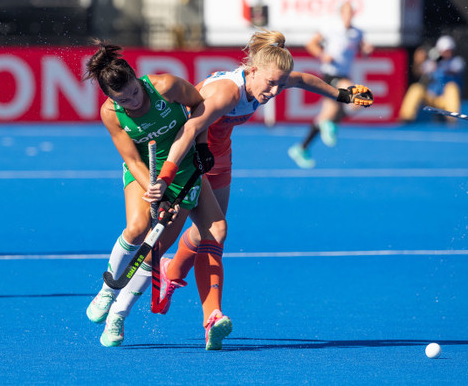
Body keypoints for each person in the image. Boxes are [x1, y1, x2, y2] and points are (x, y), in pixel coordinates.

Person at [143, 29, 373, 343]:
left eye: (281, 84)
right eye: (271, 83)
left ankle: (172, 274)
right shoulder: (228, 93)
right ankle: (208, 314)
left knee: (208, 232)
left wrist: (342, 95)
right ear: (251, 71)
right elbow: (190, 128)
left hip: (219, 156)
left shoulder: (273, 76)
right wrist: (166, 177)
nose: (275, 90)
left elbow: (304, 80)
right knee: (214, 231)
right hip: (188, 157)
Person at [82, 40, 228, 349]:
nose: (133, 102)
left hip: (183, 171)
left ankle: (118, 315)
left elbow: (199, 107)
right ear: (110, 98)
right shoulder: (111, 114)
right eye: (124, 99)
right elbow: (132, 159)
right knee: (137, 229)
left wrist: (200, 145)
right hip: (143, 174)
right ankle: (109, 287)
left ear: (138, 78)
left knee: (156, 250)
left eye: (135, 92)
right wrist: (153, 188)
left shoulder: (166, 85)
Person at [288, 1, 374, 168]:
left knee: (327, 115)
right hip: (330, 75)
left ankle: (301, 147)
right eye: (346, 12)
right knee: (356, 98)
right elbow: (311, 44)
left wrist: (367, 50)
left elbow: (364, 51)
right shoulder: (331, 27)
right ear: (341, 14)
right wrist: (322, 55)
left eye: (351, 12)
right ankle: (331, 124)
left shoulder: (357, 33)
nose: (349, 15)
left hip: (344, 74)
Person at [398, 35, 465, 124]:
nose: (447, 53)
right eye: (445, 51)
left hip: (445, 100)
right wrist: (418, 61)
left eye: (449, 51)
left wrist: (437, 64)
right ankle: (406, 117)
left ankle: (452, 118)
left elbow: (453, 70)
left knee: (451, 87)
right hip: (431, 98)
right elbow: (418, 72)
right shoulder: (431, 63)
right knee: (416, 88)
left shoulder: (456, 62)